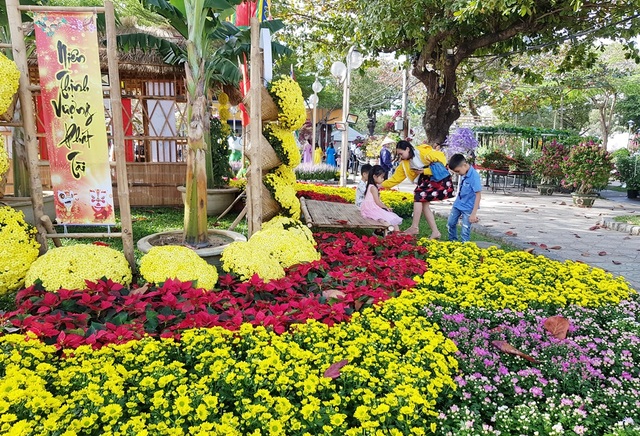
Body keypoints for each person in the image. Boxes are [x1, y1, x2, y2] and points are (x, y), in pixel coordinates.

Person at [381, 140, 454, 239]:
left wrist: (425, 170)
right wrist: (380, 185)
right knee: (424, 205)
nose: (400, 156)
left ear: (407, 149)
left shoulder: (422, 152)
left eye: (401, 154)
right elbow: (395, 179)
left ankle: (414, 227)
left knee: (418, 196)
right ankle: (435, 232)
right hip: (426, 181)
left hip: (438, 178)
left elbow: (442, 161)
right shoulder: (404, 163)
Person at [447, 153, 482, 242]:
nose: (458, 174)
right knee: (450, 223)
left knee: (465, 230)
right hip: (458, 204)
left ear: (464, 165)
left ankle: (464, 248)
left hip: (468, 207)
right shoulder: (463, 173)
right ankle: (452, 242)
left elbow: (478, 194)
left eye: (458, 171)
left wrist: (474, 213)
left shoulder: (474, 176)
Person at [360, 165, 403, 232]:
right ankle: (397, 236)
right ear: (374, 177)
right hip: (372, 209)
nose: (383, 179)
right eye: (382, 177)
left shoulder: (371, 186)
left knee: (390, 218)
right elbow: (377, 202)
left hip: (369, 208)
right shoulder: (373, 188)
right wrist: (386, 207)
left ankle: (395, 234)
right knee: (391, 218)